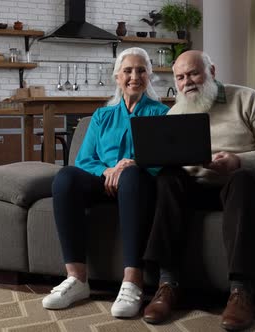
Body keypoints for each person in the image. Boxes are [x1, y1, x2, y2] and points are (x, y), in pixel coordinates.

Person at [142, 50, 255, 331]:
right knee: (167, 177)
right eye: (181, 77)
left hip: (243, 187)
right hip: (197, 189)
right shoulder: (175, 111)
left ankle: (241, 290)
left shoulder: (246, 98)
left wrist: (238, 160)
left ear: (212, 70)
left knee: (244, 178)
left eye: (194, 73)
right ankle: (167, 283)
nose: (187, 82)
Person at [42, 47, 169, 318]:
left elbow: (163, 161)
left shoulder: (161, 114)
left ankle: (133, 281)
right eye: (128, 70)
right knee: (65, 177)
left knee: (133, 175)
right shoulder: (102, 115)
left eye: (141, 70)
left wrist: (130, 165)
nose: (134, 76)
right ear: (117, 77)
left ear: (149, 76)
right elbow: (84, 160)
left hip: (139, 185)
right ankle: (77, 279)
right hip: (104, 182)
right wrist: (108, 170)